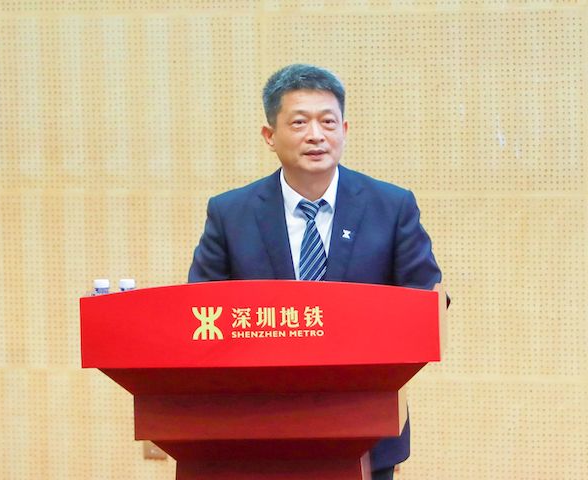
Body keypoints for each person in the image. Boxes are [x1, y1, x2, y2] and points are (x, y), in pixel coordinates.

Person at [188, 63, 444, 480]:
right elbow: (200, 312)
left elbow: (424, 300)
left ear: (344, 129)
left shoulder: (391, 206)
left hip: (365, 425)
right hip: (256, 428)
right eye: (299, 122)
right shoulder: (231, 213)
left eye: (328, 122)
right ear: (269, 135)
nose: (316, 135)